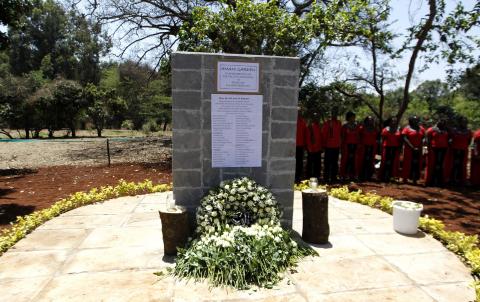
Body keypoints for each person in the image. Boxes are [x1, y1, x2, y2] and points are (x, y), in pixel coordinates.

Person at [446, 116, 472, 185]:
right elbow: (449, 139)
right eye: (463, 122)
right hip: (454, 149)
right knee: (454, 164)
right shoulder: (454, 130)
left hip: (463, 149)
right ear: (460, 122)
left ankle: (459, 179)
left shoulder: (468, 131)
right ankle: (451, 179)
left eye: (465, 122)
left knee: (461, 165)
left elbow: (469, 141)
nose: (464, 123)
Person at [425, 119, 449, 186]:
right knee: (434, 164)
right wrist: (427, 149)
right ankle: (431, 180)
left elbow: (449, 137)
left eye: (443, 122)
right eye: (440, 121)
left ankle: (440, 180)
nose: (442, 123)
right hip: (434, 149)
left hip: (444, 149)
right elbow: (427, 140)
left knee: (440, 165)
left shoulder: (446, 130)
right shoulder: (431, 130)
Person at [401, 116, 425, 184]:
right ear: (411, 121)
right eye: (414, 120)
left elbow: (423, 137)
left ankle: (415, 179)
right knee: (408, 163)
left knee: (416, 163)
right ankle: (405, 178)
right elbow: (404, 138)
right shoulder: (407, 128)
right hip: (409, 149)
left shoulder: (421, 128)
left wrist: (419, 145)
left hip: (418, 149)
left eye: (417, 120)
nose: (416, 121)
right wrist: (412, 147)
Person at [379, 117, 402, 182]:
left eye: (395, 121)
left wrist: (400, 148)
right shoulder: (385, 130)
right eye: (393, 121)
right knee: (386, 162)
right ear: (390, 122)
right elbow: (382, 139)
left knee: (393, 163)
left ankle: (391, 176)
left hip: (395, 148)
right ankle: (384, 176)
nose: (394, 122)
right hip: (387, 148)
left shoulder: (398, 129)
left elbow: (400, 139)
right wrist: (381, 148)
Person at [322, 108, 342, 182]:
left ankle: (334, 177)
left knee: (335, 163)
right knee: (327, 163)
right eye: (333, 113)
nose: (335, 114)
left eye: (336, 113)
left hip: (336, 146)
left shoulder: (339, 123)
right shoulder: (327, 123)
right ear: (331, 114)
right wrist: (323, 145)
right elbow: (324, 134)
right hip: (328, 146)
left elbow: (340, 134)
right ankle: (326, 177)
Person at [340, 111, 360, 180]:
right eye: (352, 117)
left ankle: (353, 175)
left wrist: (358, 145)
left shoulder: (357, 126)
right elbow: (342, 137)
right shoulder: (344, 126)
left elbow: (358, 136)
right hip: (346, 146)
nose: (353, 118)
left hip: (354, 146)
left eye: (354, 117)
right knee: (346, 160)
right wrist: (341, 146)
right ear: (348, 118)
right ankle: (344, 175)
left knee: (353, 161)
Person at [357, 116, 378, 181]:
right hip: (363, 147)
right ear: (366, 121)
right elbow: (358, 136)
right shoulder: (362, 128)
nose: (370, 121)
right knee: (363, 160)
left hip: (372, 147)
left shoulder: (375, 129)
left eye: (371, 120)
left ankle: (369, 175)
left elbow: (377, 137)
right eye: (369, 120)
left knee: (370, 161)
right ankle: (361, 175)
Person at [305, 113, 323, 180]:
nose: (317, 119)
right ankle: (308, 176)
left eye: (318, 117)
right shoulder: (310, 126)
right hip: (311, 148)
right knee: (310, 163)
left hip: (318, 148)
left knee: (317, 163)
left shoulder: (320, 126)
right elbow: (308, 137)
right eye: (315, 117)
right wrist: (309, 147)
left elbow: (321, 137)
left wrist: (321, 147)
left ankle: (317, 176)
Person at [295, 110, 308, 183]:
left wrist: (305, 145)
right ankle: (293, 175)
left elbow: (305, 134)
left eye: (300, 112)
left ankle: (298, 176)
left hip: (301, 145)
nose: (299, 113)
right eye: (298, 112)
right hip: (293, 145)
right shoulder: (293, 121)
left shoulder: (303, 122)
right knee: (294, 161)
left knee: (300, 162)